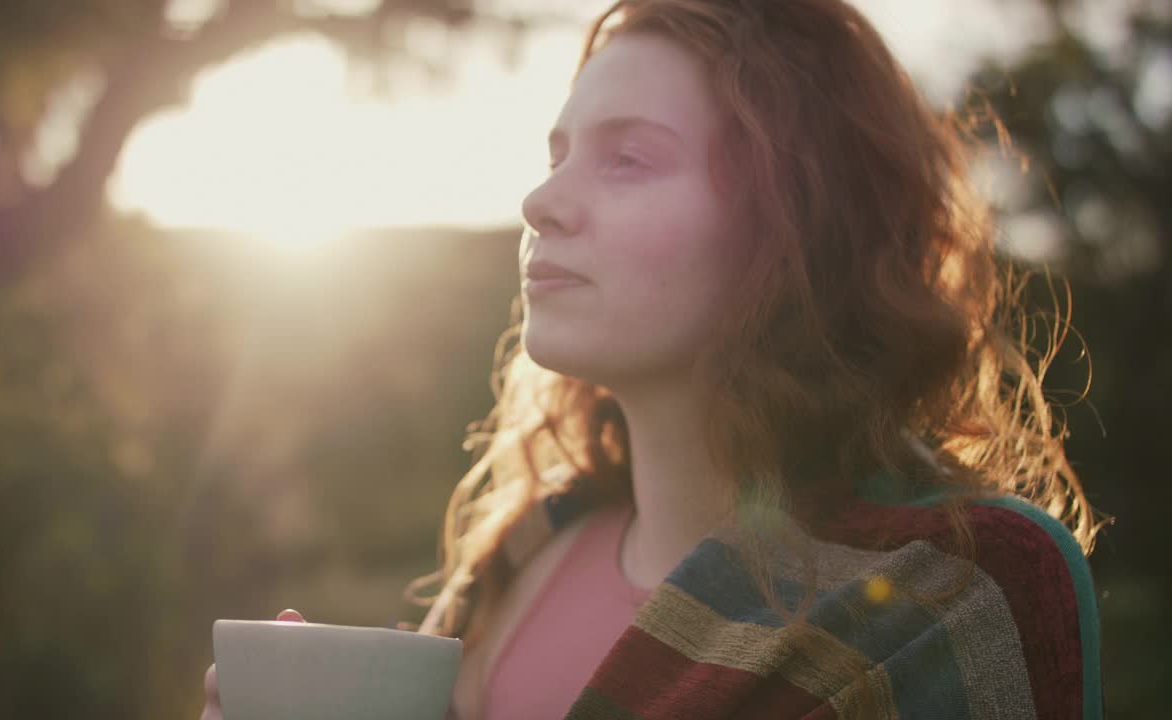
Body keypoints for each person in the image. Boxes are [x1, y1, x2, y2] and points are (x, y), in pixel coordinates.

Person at [202, 0, 1108, 718]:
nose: (539, 201)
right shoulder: (525, 548)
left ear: (795, 224)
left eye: (628, 159)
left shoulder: (955, 594)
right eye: (556, 156)